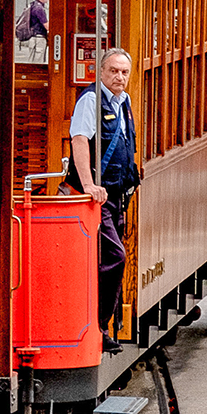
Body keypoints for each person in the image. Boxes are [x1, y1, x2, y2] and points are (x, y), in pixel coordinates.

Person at [65, 49, 138, 355]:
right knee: (114, 257)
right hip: (97, 197)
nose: (119, 77)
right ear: (101, 72)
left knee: (110, 259)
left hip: (116, 196)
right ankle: (98, 324)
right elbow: (79, 140)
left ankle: (103, 326)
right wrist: (88, 185)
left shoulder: (124, 102)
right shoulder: (91, 101)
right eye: (113, 71)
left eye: (124, 72)